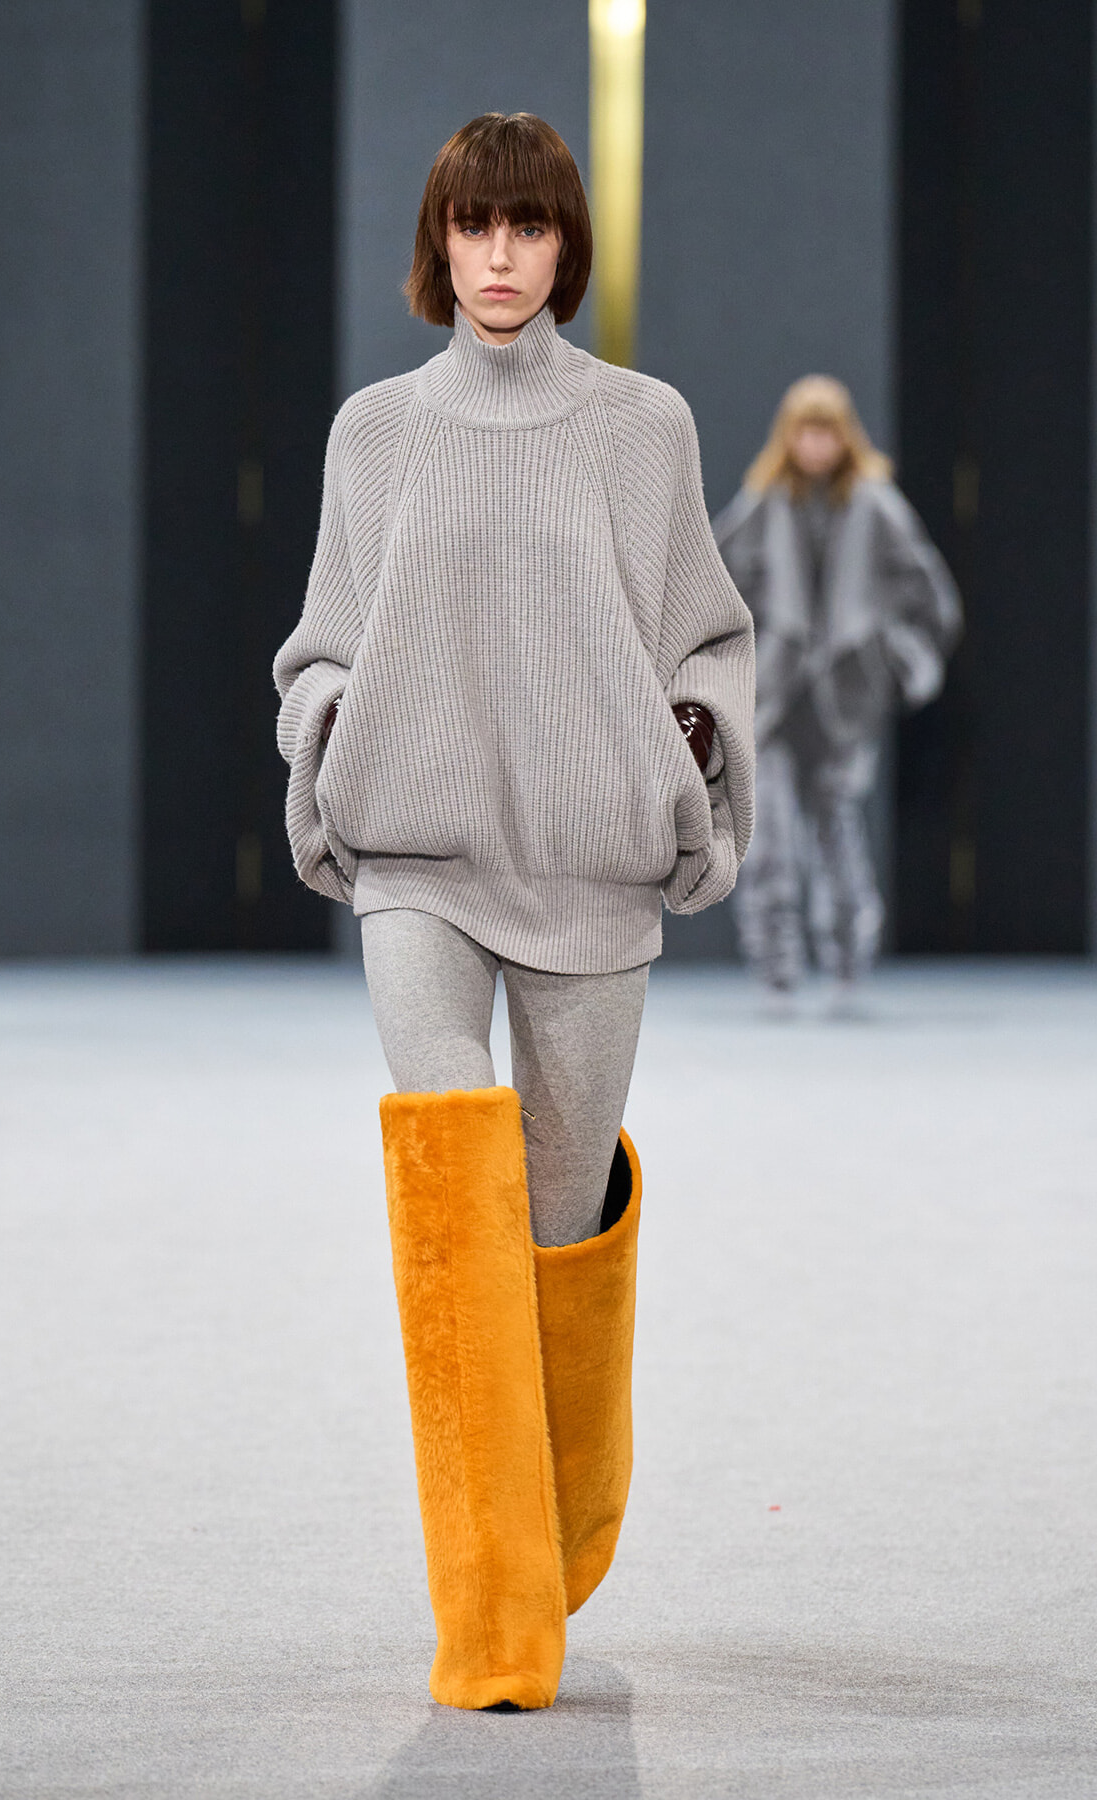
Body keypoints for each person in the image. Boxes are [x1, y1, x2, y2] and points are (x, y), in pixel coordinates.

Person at [273, 113, 755, 1711]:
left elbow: (704, 633)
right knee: (450, 1181)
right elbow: (322, 644)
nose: (497, 256)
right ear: (438, 242)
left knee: (555, 1226)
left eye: (526, 228)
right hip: (417, 861)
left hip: (590, 866)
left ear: (566, 246)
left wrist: (689, 750)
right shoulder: (374, 434)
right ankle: (490, 1610)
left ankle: (553, 1538)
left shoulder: (644, 429)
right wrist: (331, 733)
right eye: (472, 227)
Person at [715, 376, 961, 1011]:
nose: (816, 443)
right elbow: (710, 584)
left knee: (838, 832)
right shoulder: (764, 502)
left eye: (826, 430)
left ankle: (849, 964)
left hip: (845, 700)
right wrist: (728, 664)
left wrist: (904, 659)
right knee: (767, 838)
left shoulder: (876, 506)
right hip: (775, 699)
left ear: (844, 434)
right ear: (788, 436)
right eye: (805, 430)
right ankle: (776, 969)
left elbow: (932, 597)